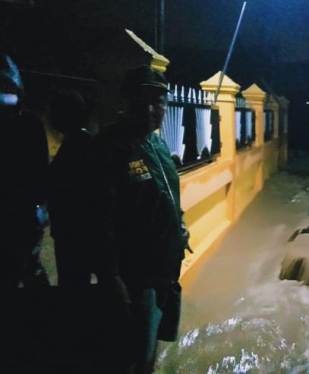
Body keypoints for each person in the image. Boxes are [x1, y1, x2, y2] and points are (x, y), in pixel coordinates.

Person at [90, 65, 189, 373]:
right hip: (136, 277)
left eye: (159, 101)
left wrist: (179, 226)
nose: (152, 109)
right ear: (127, 102)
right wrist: (111, 276)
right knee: (133, 353)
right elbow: (98, 218)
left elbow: (165, 195)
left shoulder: (157, 144)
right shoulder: (110, 147)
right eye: (143, 100)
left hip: (165, 270)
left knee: (152, 344)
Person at [0, 53, 50, 288]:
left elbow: (39, 172)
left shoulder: (29, 125)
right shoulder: (29, 124)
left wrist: (38, 208)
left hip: (21, 217)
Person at [47, 90, 94, 287]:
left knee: (75, 286)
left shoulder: (78, 147)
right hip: (77, 232)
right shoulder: (86, 143)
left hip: (74, 233)